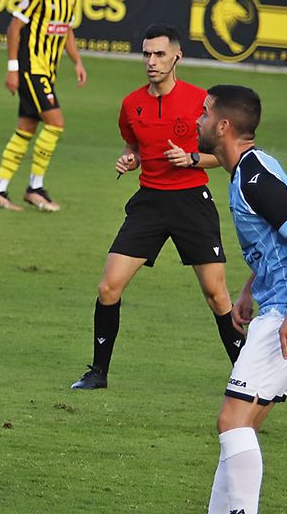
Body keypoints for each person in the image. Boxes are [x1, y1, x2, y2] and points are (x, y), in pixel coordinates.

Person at [150, 84, 287, 514]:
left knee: (231, 422)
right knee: (242, 425)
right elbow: (278, 242)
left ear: (223, 126)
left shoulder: (252, 175)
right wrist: (250, 289)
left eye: (204, 114)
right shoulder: (247, 170)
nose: (198, 120)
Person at [69, 25, 239, 391]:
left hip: (192, 201)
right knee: (108, 287)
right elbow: (134, 145)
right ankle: (98, 373)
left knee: (216, 294)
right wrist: (129, 158)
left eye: (159, 54)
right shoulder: (132, 104)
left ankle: (249, 374)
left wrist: (193, 158)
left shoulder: (202, 102)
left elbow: (226, 155)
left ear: (177, 57)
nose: (151, 61)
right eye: (146, 54)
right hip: (149, 202)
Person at [0, 0, 87, 212]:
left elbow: (65, 30)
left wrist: (77, 61)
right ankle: (35, 187)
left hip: (47, 72)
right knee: (55, 123)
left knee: (25, 130)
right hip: (32, 69)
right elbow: (13, 28)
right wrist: (12, 69)